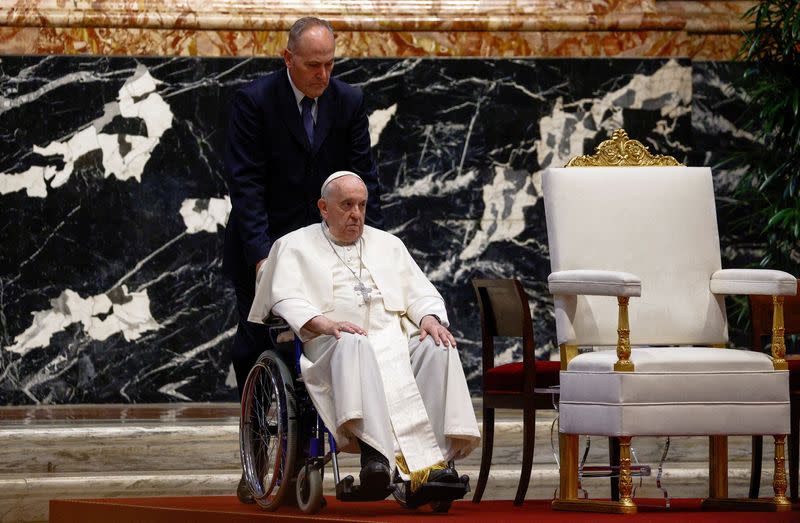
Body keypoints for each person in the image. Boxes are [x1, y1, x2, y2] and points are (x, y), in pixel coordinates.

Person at [223, 17, 383, 502]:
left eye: (330, 64)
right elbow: (245, 187)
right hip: (267, 241)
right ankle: (257, 462)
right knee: (256, 345)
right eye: (313, 65)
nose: (323, 74)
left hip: (328, 247)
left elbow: (363, 179)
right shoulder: (255, 102)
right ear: (287, 59)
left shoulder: (349, 102)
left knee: (345, 333)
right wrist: (261, 259)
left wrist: (365, 246)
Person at [249, 171, 480, 498]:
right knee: (354, 342)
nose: (356, 213)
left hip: (394, 339)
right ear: (323, 207)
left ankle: (438, 464)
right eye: (346, 205)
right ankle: (376, 456)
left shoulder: (389, 245)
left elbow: (419, 292)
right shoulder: (293, 246)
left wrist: (429, 318)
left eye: (361, 205)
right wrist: (325, 323)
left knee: (437, 346)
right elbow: (286, 297)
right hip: (332, 345)